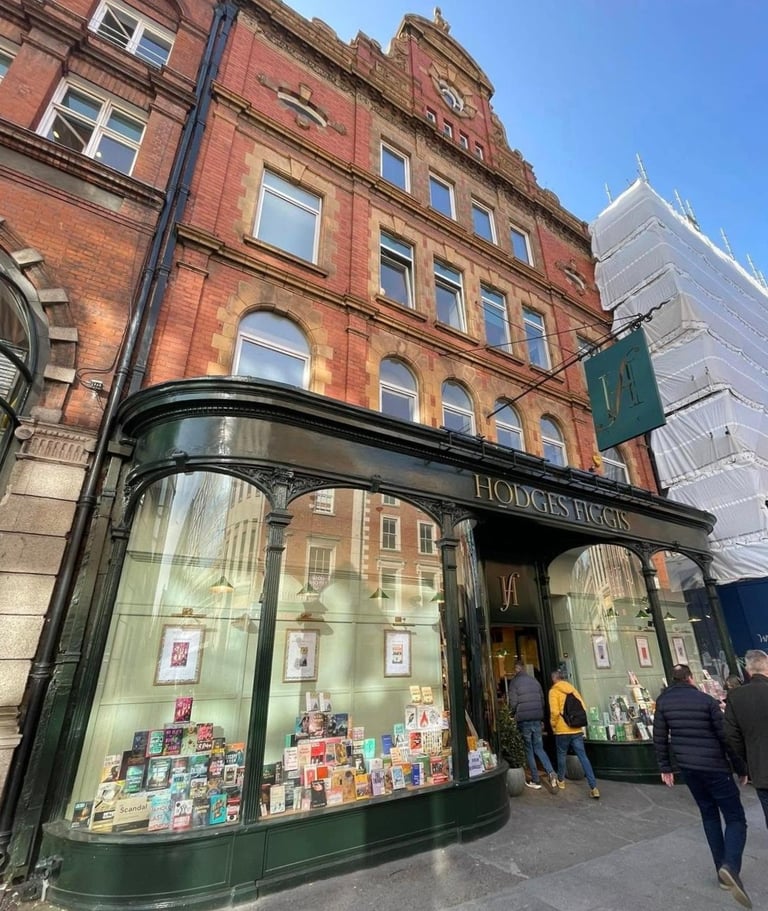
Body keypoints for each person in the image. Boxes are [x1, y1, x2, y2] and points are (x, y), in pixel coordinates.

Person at [653, 664, 750, 909]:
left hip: (689, 768)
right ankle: (730, 866)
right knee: (735, 818)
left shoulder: (663, 702)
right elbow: (725, 737)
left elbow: (660, 737)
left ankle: (721, 870)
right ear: (690, 678)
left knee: (709, 816)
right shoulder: (706, 701)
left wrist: (665, 767)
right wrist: (740, 767)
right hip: (715, 766)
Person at [724, 649, 768, 832]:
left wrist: (748, 756)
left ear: (748, 671)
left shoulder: (736, 697)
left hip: (761, 768)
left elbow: (731, 735)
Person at [506, 660, 557, 791]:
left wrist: (510, 714)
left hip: (524, 720)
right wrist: (541, 717)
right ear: (524, 668)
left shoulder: (514, 682)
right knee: (539, 748)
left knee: (529, 749)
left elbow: (513, 702)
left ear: (516, 669)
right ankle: (551, 772)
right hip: (536, 718)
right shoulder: (535, 681)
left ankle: (535, 779)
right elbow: (542, 701)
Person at [548, 669, 600, 798]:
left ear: (554, 679)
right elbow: (583, 707)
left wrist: (553, 726)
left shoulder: (553, 691)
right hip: (576, 729)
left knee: (561, 755)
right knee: (583, 757)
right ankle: (594, 787)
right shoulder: (572, 689)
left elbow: (554, 712)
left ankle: (561, 780)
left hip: (562, 729)